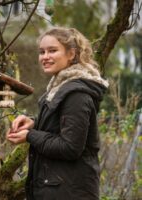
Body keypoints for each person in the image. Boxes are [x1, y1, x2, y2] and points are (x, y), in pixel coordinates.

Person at [6, 27, 109, 200]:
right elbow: (61, 125)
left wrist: (30, 135)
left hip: (70, 192)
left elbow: (70, 147)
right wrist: (34, 122)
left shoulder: (76, 94)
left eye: (52, 51)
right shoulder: (59, 87)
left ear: (71, 54)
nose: (45, 57)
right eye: (42, 52)